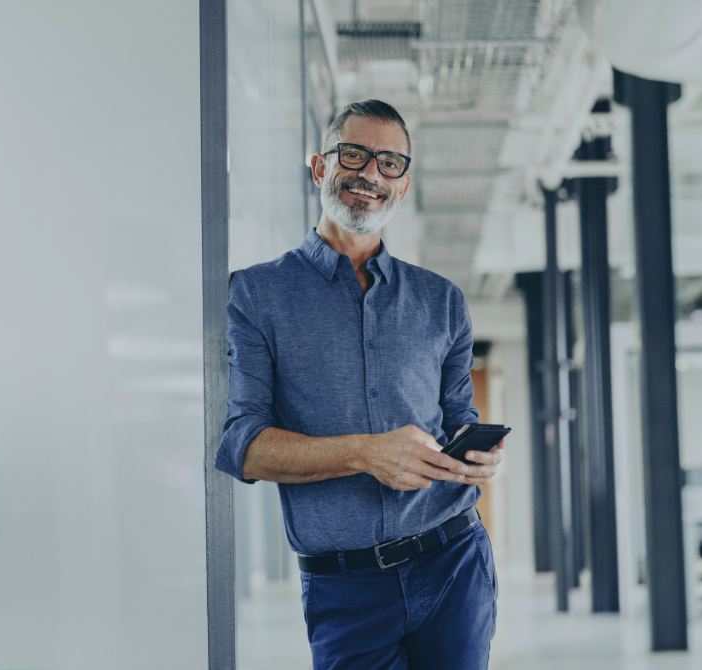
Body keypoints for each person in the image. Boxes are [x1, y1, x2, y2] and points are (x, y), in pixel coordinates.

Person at [214, 99, 504, 670]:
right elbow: (242, 446)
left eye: (390, 163)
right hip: (345, 590)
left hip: (454, 563)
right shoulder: (256, 295)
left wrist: (478, 455)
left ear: (403, 184)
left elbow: (458, 421)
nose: (371, 173)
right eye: (355, 154)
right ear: (321, 168)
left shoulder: (442, 300)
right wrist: (366, 454)